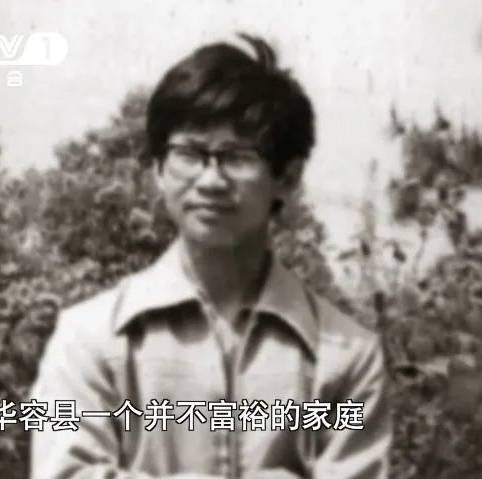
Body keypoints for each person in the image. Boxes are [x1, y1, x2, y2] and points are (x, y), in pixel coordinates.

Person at [29, 33, 391, 479]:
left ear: (287, 177)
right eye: (189, 154)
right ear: (159, 170)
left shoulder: (347, 356)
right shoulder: (89, 339)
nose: (211, 180)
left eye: (237, 156)